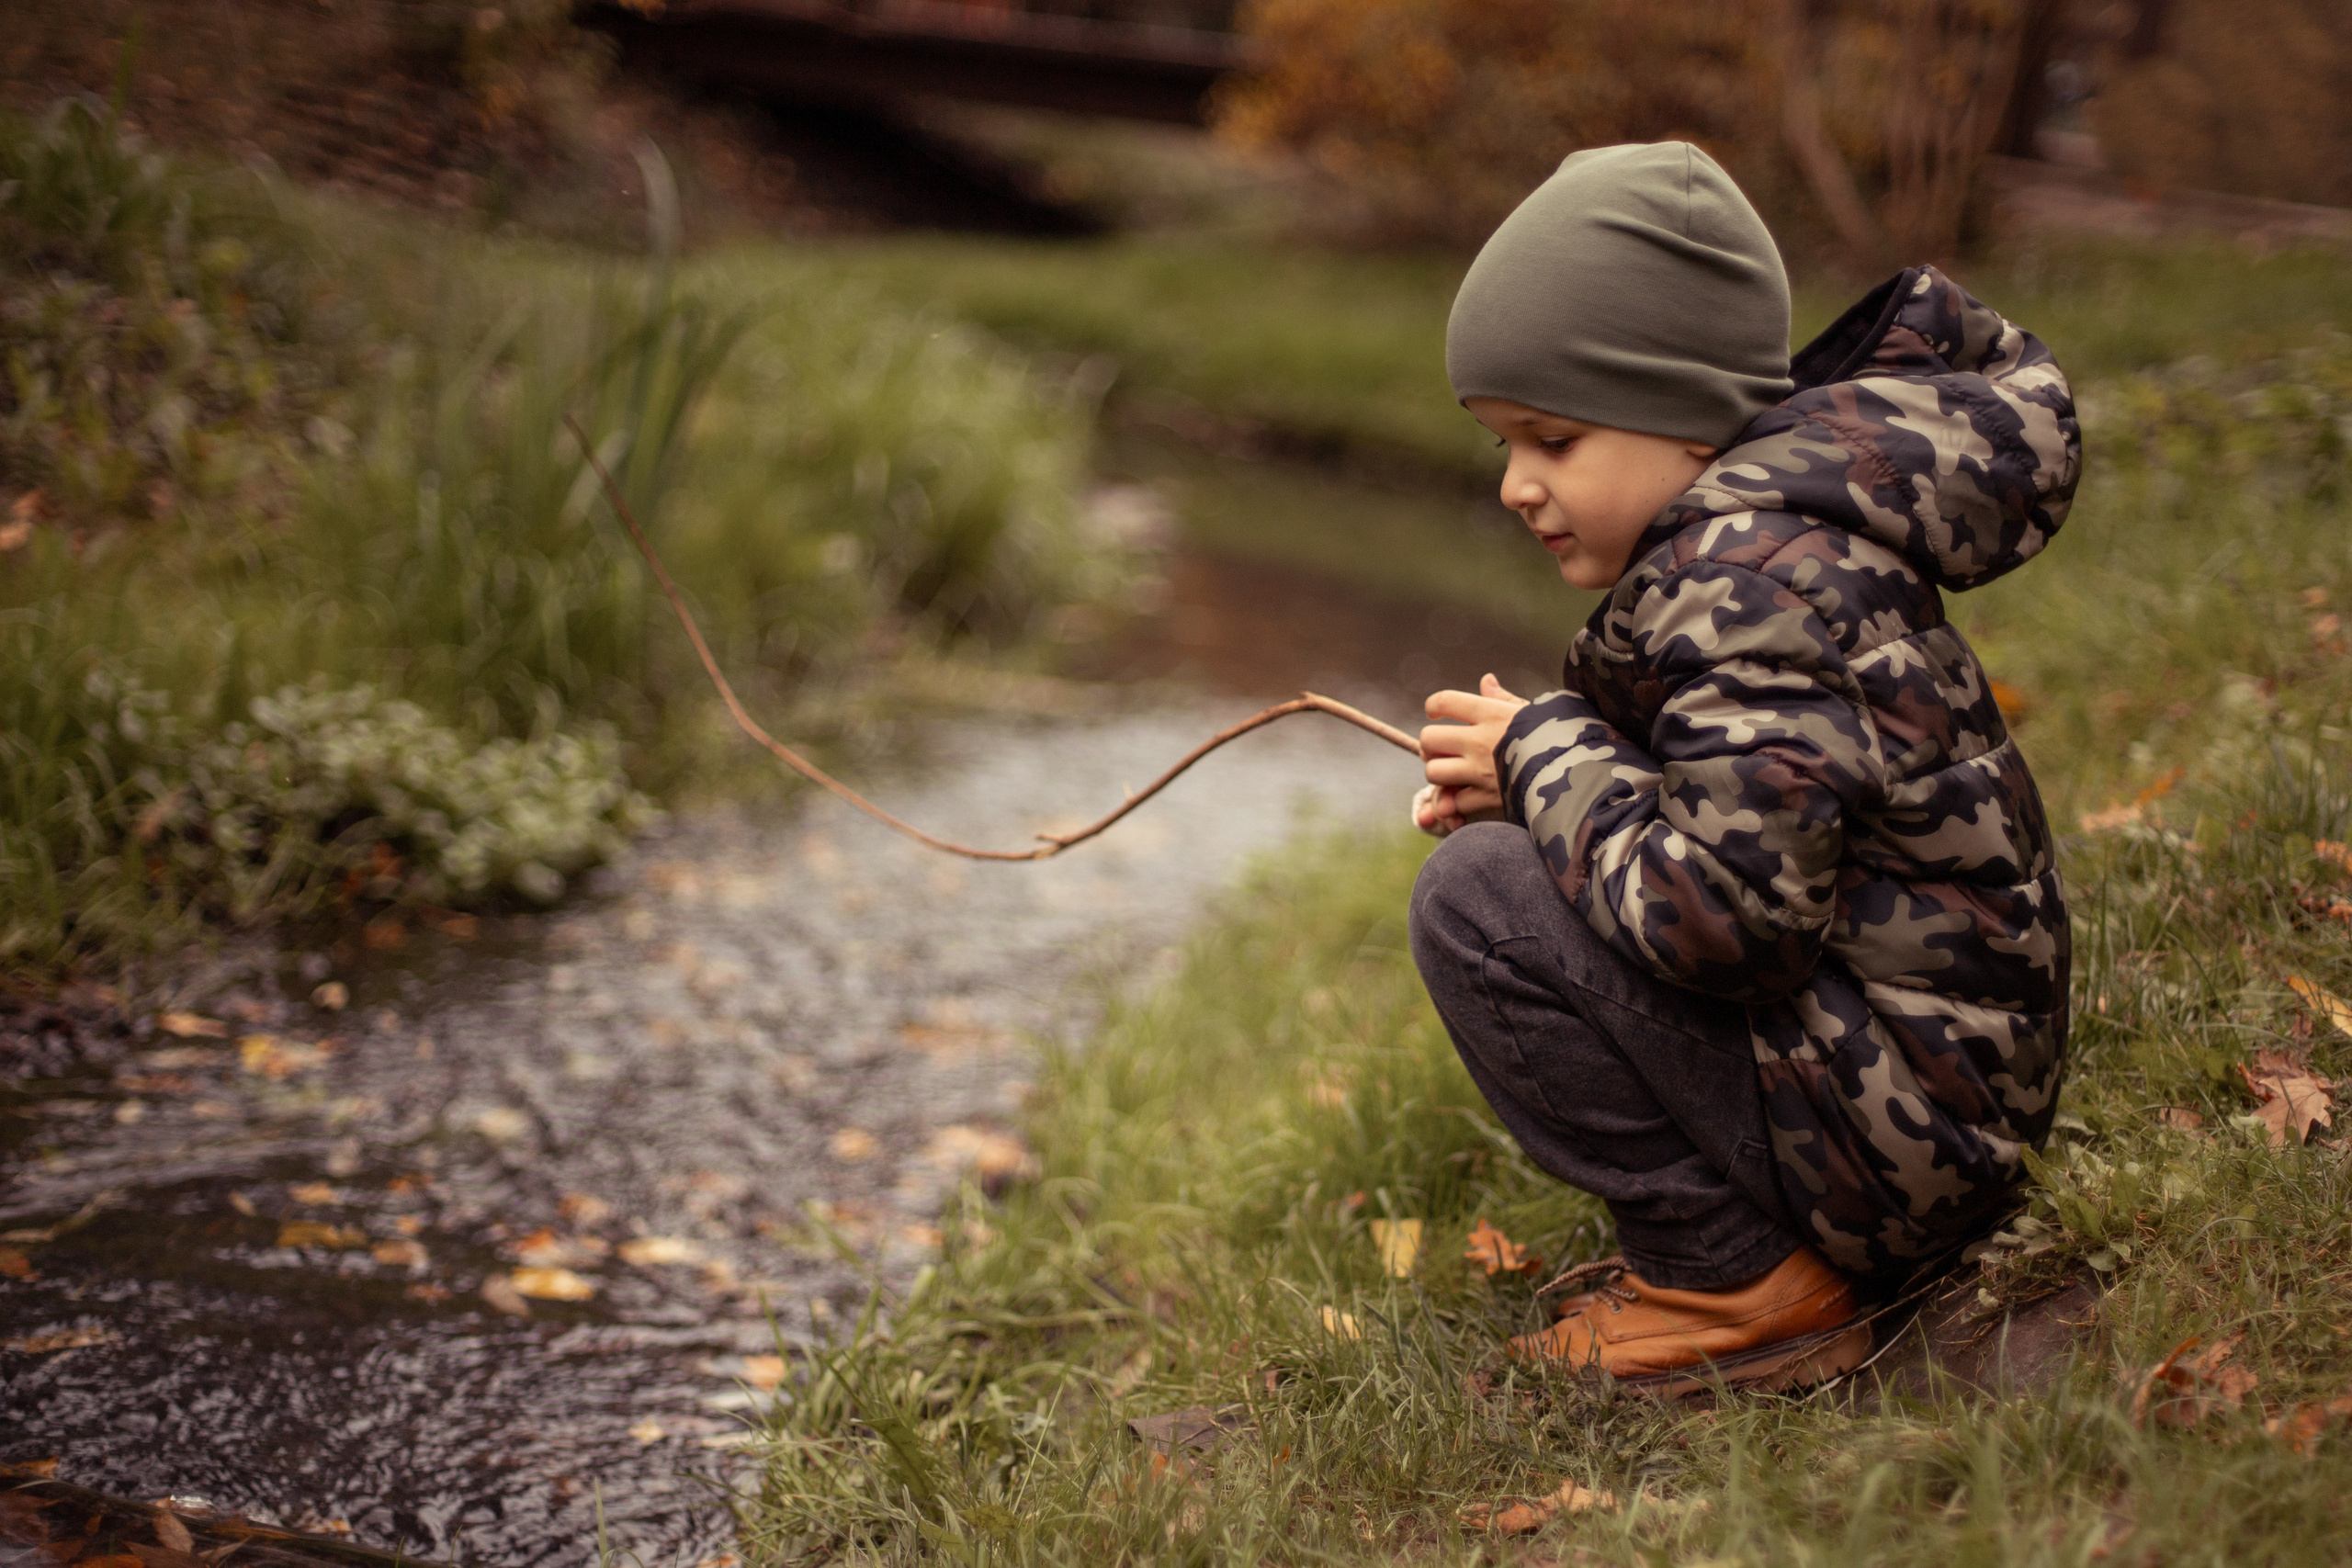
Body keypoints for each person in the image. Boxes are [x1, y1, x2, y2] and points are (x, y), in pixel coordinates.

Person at [1406, 141, 2079, 1393]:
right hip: (1935, 1099)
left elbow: (1726, 921)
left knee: (1478, 907)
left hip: (1915, 1141)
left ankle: (1737, 1283)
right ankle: (1743, 1258)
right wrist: (1546, 771)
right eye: (1503, 443)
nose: (1515, 484)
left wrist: (1547, 755)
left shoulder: (1744, 593)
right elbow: (1738, 822)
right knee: (1512, 868)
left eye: (1552, 438)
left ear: (1685, 418)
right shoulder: (1768, 555)